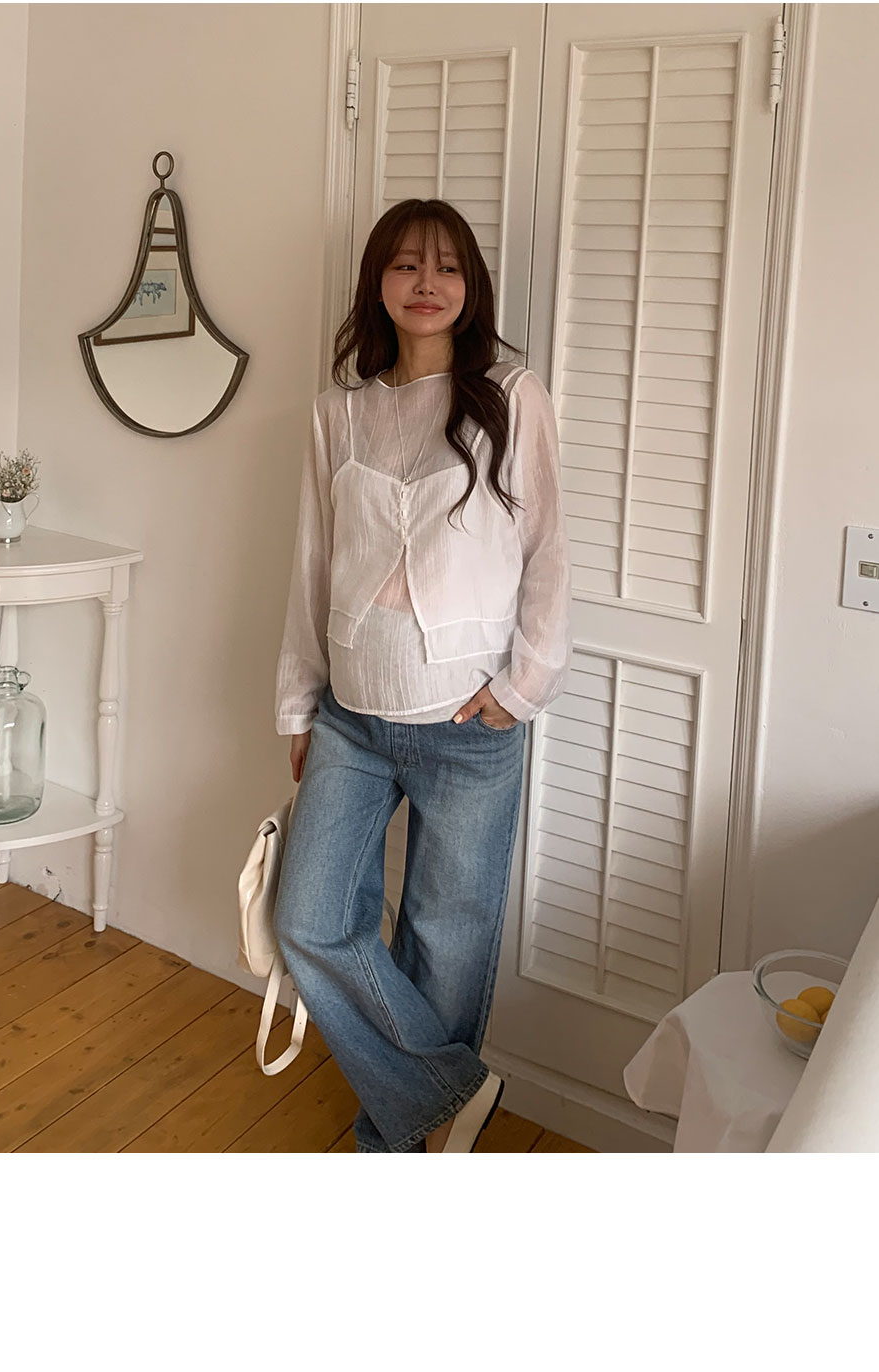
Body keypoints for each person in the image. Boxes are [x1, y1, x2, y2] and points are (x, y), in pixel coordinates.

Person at [272, 198, 571, 1152]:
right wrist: (299, 705)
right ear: (378, 285)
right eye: (406, 265)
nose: (427, 283)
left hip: (469, 721)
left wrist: (523, 688)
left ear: (470, 284)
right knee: (309, 921)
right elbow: (313, 565)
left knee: (447, 943)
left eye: (446, 266)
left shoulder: (511, 397)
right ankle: (453, 1095)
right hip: (352, 716)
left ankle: (401, 1148)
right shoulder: (338, 413)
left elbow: (548, 551)